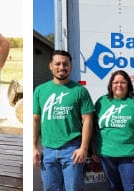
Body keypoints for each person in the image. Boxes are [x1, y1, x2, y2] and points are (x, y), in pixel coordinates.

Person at [35, 50, 95, 191]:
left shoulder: (80, 91)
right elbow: (35, 119)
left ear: (71, 67)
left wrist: (83, 148)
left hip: (72, 149)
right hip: (48, 150)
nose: (62, 67)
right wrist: (32, 147)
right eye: (58, 64)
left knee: (74, 188)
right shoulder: (40, 90)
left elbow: (88, 120)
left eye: (65, 64)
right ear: (50, 66)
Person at [93, 70, 134, 191]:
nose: (119, 85)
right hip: (106, 154)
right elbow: (93, 126)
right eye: (115, 82)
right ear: (111, 85)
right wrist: (94, 150)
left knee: (131, 188)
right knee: (114, 187)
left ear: (128, 84)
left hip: (130, 155)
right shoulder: (101, 101)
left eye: (123, 82)